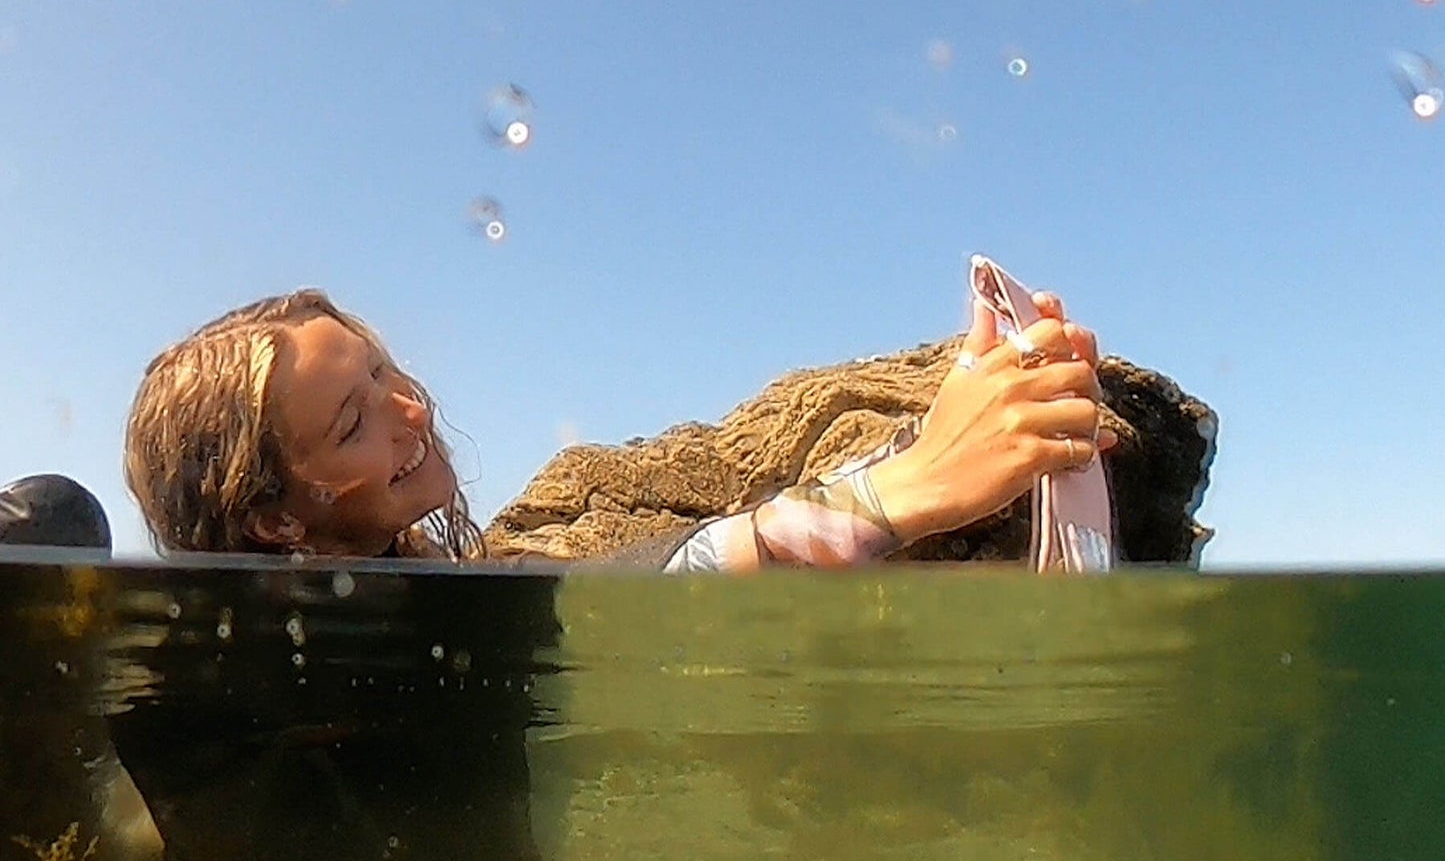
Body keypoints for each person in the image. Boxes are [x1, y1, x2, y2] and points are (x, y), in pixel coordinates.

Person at [123, 287, 1114, 570]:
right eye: (353, 418)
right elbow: (622, 594)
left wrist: (939, 434)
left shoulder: (411, 568)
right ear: (272, 522)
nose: (411, 409)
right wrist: (904, 490)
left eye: (382, 370)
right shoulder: (298, 682)